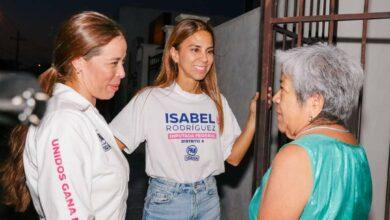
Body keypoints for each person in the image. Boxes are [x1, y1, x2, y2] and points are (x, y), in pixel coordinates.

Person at [110, 18, 260, 219]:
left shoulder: (215, 101)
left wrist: (253, 119)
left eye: (209, 51)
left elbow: (233, 157)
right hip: (166, 201)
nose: (205, 58)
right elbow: (110, 146)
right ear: (175, 54)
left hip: (208, 198)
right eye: (195, 49)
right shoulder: (150, 99)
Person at [0, 11, 128, 219]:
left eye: (123, 61)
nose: (122, 72)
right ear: (78, 62)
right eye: (114, 62)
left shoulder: (84, 113)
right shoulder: (64, 122)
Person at [249, 44, 372, 219]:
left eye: (283, 88)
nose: (276, 98)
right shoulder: (357, 151)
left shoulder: (296, 157)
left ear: (315, 102)